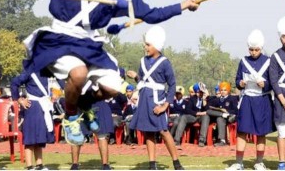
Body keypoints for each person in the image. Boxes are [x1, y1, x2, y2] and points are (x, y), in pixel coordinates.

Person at [7, 0, 199, 146]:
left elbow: (151, 14)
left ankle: (85, 103)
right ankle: (71, 118)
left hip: (88, 43)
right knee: (78, 74)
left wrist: (182, 6)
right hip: (60, 39)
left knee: (113, 86)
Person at [127, 25, 184, 170]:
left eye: (148, 44)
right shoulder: (142, 61)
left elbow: (172, 85)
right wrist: (136, 77)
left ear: (157, 45)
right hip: (144, 98)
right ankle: (152, 164)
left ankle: (176, 163)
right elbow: (144, 81)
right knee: (148, 132)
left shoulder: (165, 62)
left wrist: (165, 105)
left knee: (163, 131)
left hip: (157, 100)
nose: (145, 47)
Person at [226, 29, 275, 170]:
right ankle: (239, 162)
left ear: (261, 48)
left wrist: (264, 84)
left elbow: (273, 82)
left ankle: (259, 161)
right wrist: (240, 83)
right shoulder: (243, 61)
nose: (253, 52)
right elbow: (237, 80)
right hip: (247, 99)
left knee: (261, 132)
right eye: (251, 49)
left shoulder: (268, 61)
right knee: (242, 131)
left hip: (262, 100)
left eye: (256, 49)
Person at [11, 60, 55, 171]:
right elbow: (14, 83)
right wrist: (19, 99)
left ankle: (39, 165)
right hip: (33, 106)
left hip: (44, 106)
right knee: (30, 137)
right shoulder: (29, 71)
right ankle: (29, 166)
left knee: (40, 137)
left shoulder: (47, 71)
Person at [71, 81, 114, 170]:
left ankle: (75, 165)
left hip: (85, 103)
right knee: (101, 136)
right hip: (90, 102)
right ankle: (105, 165)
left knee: (78, 135)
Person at [269, 17, 285, 171]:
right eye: (284, 36)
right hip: (281, 98)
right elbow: (274, 81)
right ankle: (282, 163)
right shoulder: (275, 56)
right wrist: (284, 102)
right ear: (280, 37)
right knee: (282, 132)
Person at [173, 82, 210, 148]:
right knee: (184, 117)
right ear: (196, 92)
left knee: (206, 117)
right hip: (193, 116)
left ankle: (202, 140)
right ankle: (177, 140)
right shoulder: (192, 99)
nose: (200, 93)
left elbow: (207, 110)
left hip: (202, 117)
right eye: (199, 92)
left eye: (202, 92)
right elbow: (188, 110)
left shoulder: (207, 98)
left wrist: (204, 99)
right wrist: (197, 113)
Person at [206, 81, 238, 147]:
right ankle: (222, 115)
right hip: (220, 116)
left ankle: (222, 141)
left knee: (220, 118)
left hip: (229, 117)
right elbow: (208, 107)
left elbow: (236, 111)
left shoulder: (232, 99)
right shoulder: (217, 99)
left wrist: (227, 111)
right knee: (209, 112)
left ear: (228, 91)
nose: (223, 91)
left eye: (225, 90)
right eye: (221, 90)